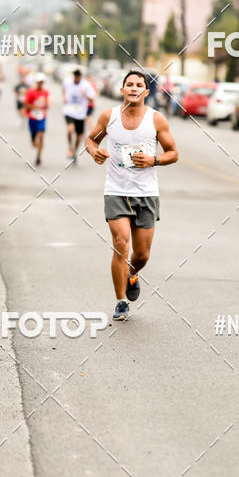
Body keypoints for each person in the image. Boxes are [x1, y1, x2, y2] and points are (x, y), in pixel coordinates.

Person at [86, 70, 179, 321]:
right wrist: (94, 151)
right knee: (121, 245)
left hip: (146, 193)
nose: (134, 88)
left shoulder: (156, 120)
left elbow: (173, 153)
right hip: (116, 191)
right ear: (122, 90)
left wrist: (153, 160)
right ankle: (121, 301)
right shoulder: (109, 117)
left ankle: (132, 274)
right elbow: (91, 140)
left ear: (146, 92)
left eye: (139, 85)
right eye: (129, 84)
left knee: (142, 255)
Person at [62, 68, 96, 164]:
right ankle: (70, 148)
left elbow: (92, 99)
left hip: (80, 114)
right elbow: (63, 89)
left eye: (78, 77)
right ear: (74, 76)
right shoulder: (67, 82)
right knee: (70, 129)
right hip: (69, 110)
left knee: (79, 136)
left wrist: (85, 95)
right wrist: (64, 97)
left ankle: (74, 151)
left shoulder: (86, 85)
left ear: (80, 77)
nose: (76, 78)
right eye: (75, 76)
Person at [24, 73, 50, 166]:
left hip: (41, 117)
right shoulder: (30, 92)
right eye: (39, 82)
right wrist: (35, 107)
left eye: (42, 82)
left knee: (41, 135)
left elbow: (47, 104)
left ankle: (39, 155)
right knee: (33, 137)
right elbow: (26, 104)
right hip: (32, 117)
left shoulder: (45, 92)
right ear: (36, 82)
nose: (40, 84)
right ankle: (33, 140)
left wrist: (45, 105)